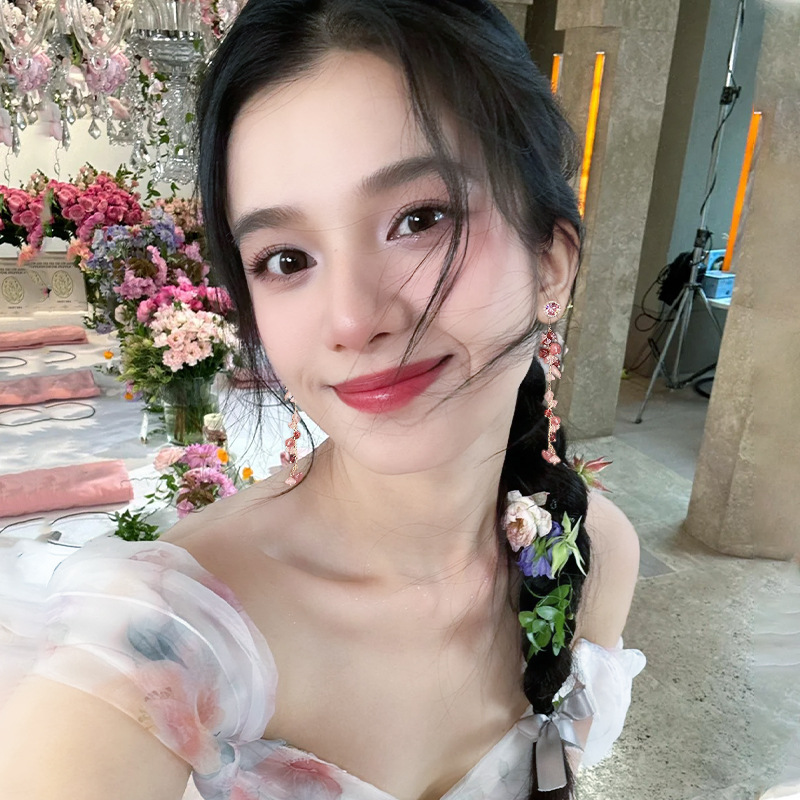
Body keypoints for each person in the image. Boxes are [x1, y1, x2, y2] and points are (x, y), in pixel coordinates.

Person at [0, 2, 645, 799]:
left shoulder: (595, 553)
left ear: (550, 264)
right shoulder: (168, 639)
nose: (351, 320)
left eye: (420, 218)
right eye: (286, 258)